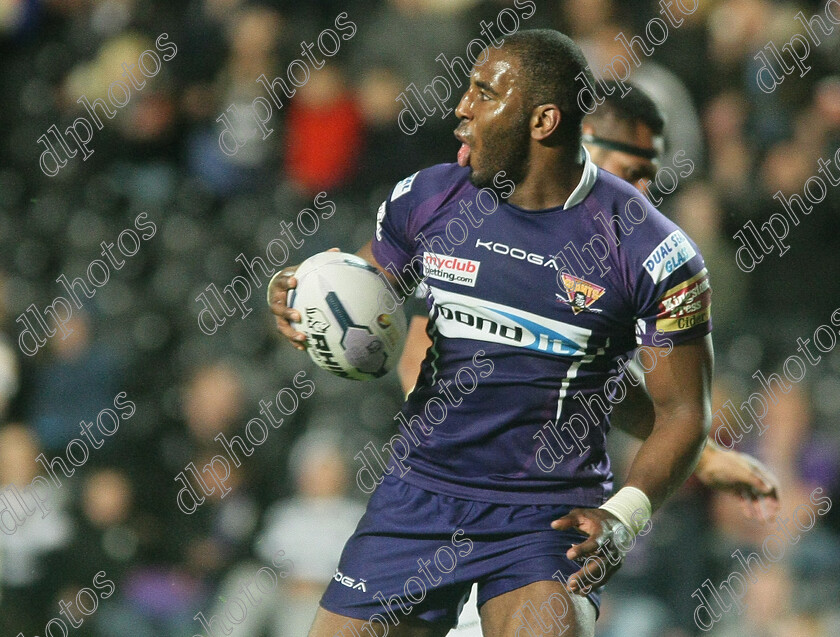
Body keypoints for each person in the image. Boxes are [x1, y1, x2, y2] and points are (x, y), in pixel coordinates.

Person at [268, 30, 732, 636]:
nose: (461, 107)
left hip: (546, 514)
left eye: (484, 93)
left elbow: (683, 413)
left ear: (542, 120)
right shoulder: (430, 197)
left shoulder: (651, 251)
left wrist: (623, 516)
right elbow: (363, 297)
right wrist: (304, 294)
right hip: (420, 495)